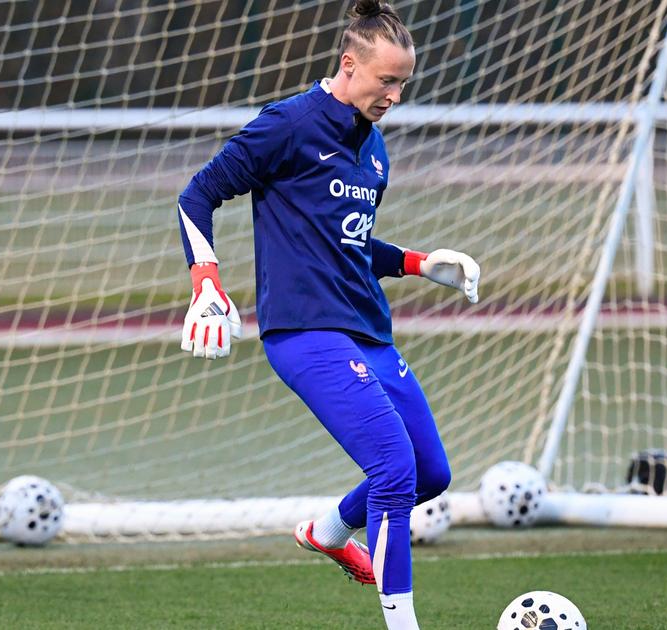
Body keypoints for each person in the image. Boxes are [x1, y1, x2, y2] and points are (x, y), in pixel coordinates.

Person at [175, 1, 479, 627]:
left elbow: (349, 242)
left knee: (430, 473)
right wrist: (206, 279)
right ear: (349, 65)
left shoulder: (375, 151)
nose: (394, 95)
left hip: (369, 329)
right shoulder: (286, 125)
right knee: (394, 469)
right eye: (385, 81)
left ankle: (330, 530)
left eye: (403, 84)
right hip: (305, 333)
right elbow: (196, 196)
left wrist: (421, 263)